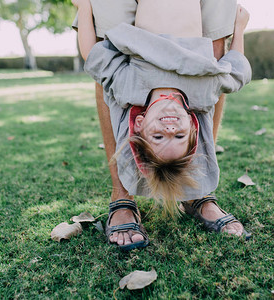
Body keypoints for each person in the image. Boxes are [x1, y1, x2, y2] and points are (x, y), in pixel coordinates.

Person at [73, 0, 251, 250]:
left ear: (139, 123)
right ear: (192, 124)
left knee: (107, 39)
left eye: (158, 137)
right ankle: (176, 194)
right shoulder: (202, 94)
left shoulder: (129, 88)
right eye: (179, 137)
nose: (169, 130)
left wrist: (83, 8)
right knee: (217, 43)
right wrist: (239, 30)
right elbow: (236, 70)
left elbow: (93, 55)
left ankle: (192, 196)